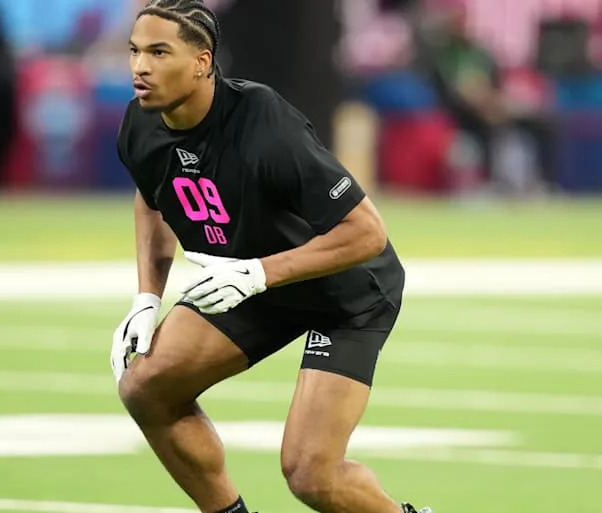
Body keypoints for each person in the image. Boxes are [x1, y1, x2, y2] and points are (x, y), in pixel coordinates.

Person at [111, 2, 429, 512]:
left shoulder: (262, 120)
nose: (139, 67)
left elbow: (367, 233)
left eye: (159, 52)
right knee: (146, 387)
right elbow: (152, 198)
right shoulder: (141, 122)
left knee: (310, 474)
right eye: (134, 51)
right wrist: (147, 297)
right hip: (252, 280)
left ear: (202, 62)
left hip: (344, 292)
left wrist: (259, 273)